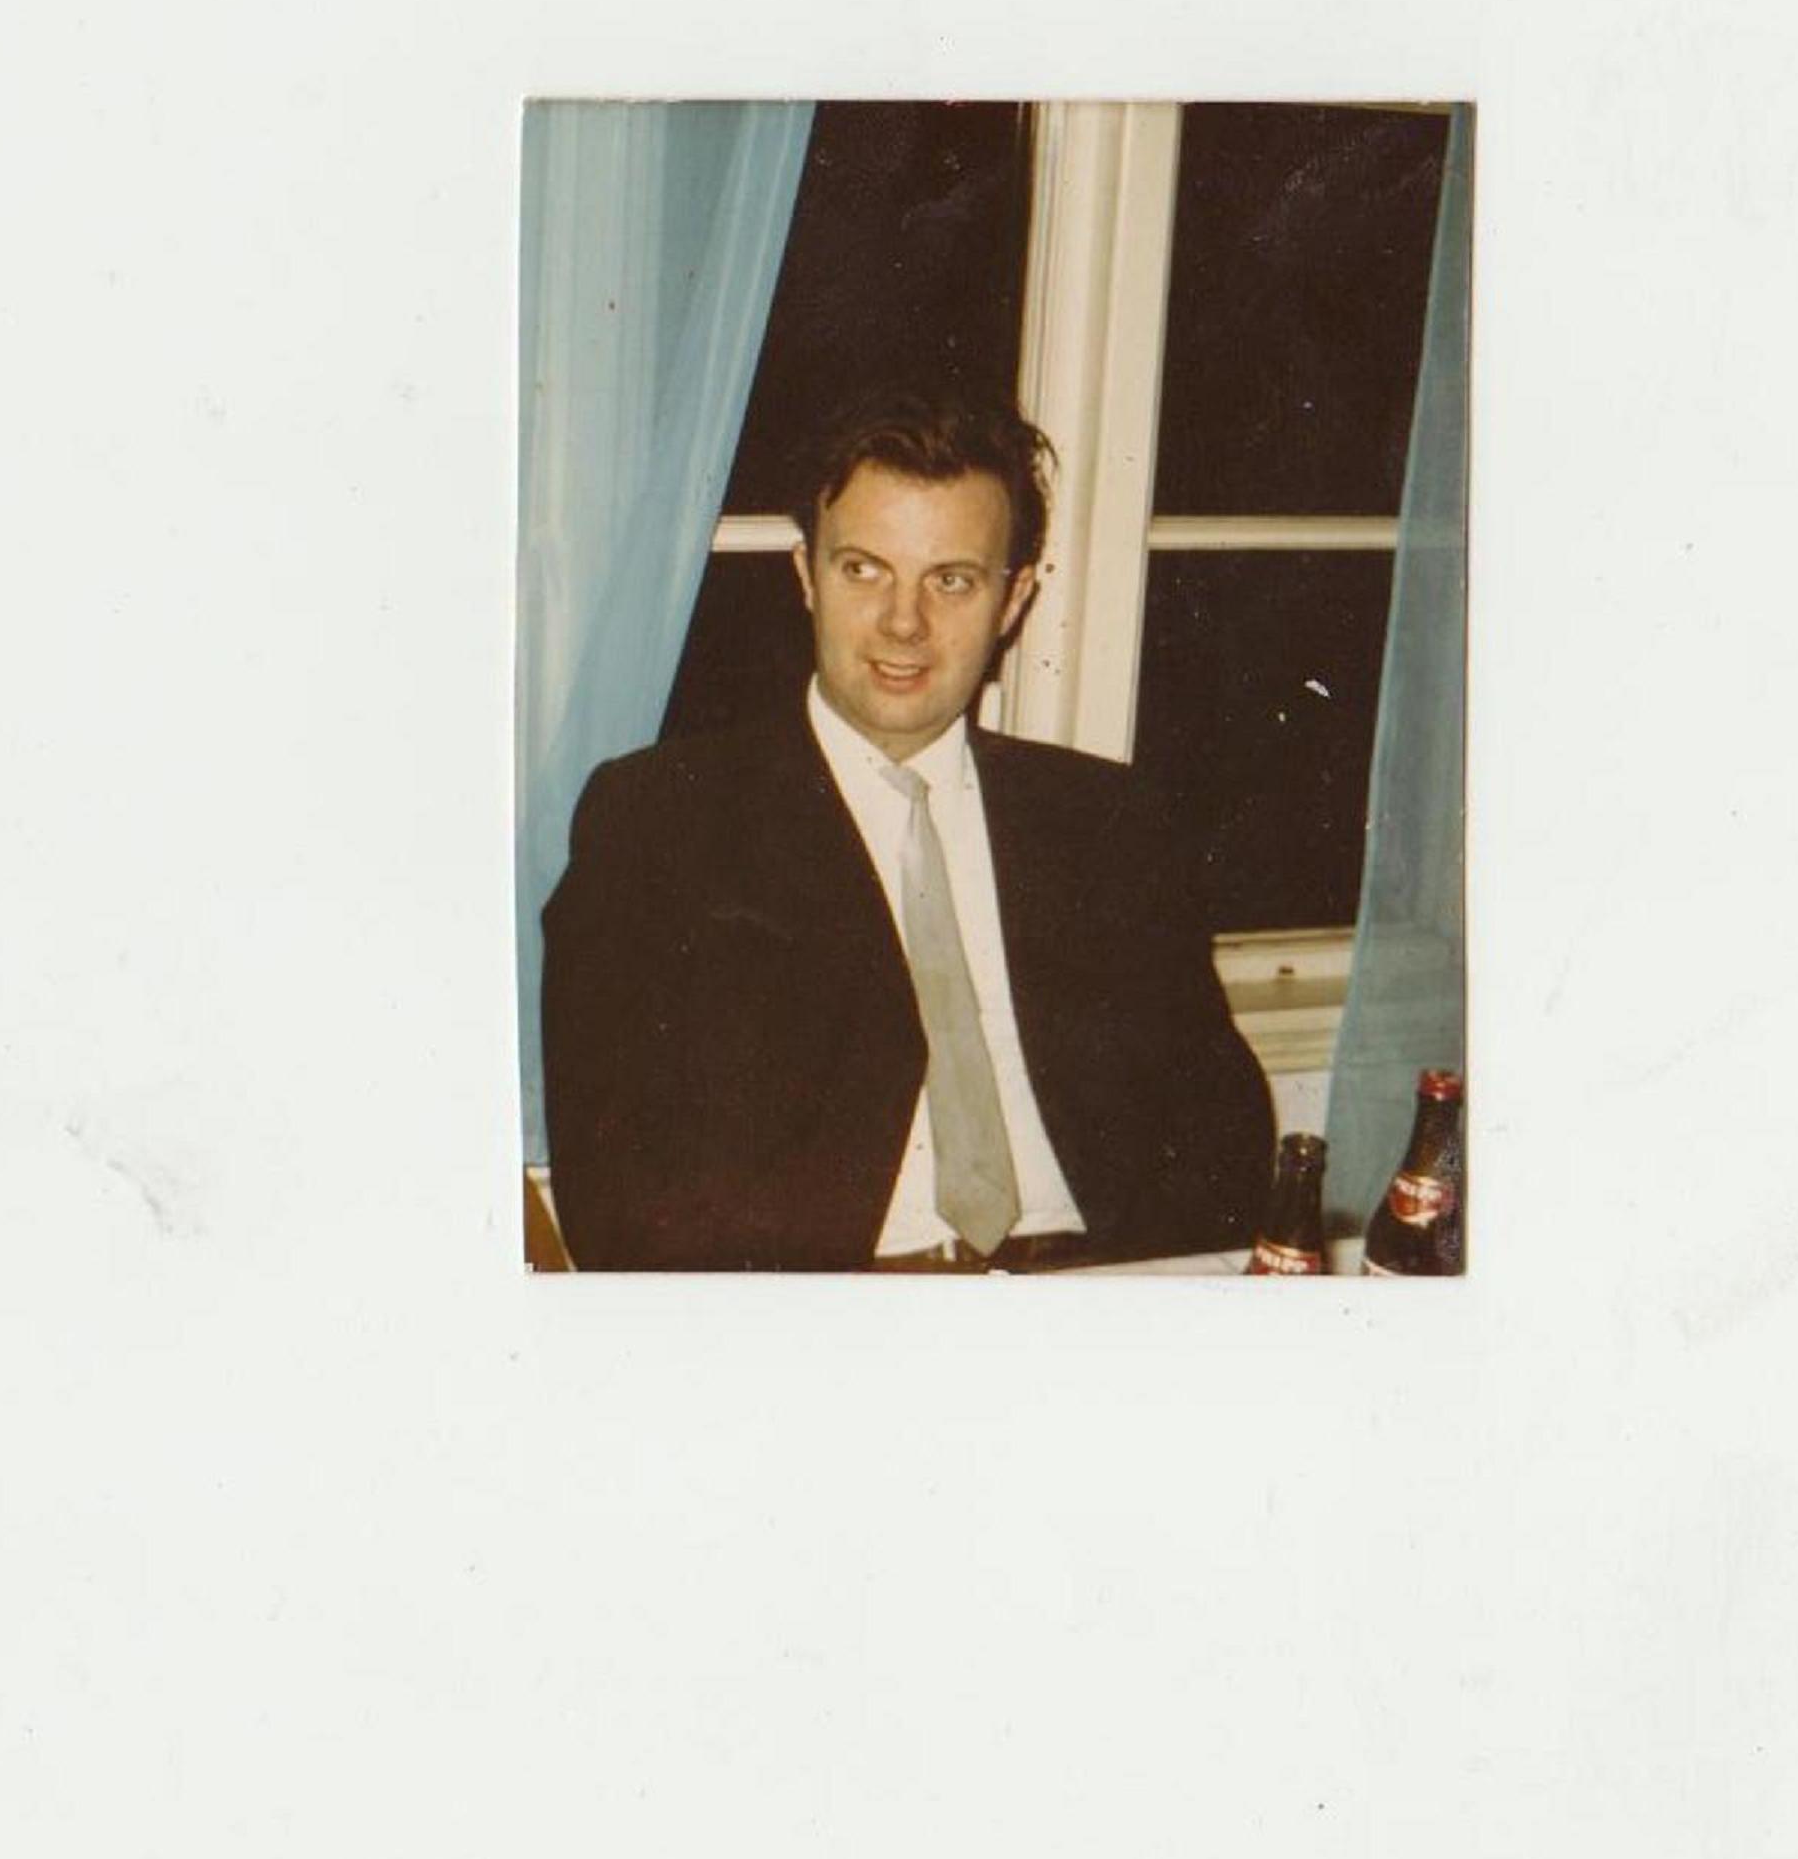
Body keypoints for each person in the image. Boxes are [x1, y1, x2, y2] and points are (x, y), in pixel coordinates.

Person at [539, 393, 1277, 1271]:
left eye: (951, 580)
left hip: (1092, 1287)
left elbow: (1222, 1146)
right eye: (863, 570)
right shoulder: (660, 821)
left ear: (1014, 599)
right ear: (806, 576)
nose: (903, 622)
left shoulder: (1109, 825)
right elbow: (616, 1202)